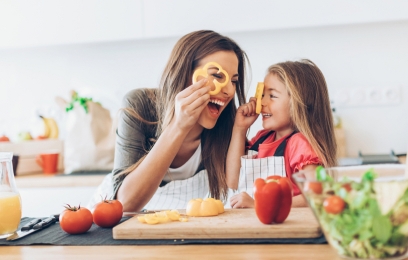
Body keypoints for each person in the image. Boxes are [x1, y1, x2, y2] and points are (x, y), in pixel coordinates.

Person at [109, 30, 248, 212]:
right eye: (217, 76)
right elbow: (125, 205)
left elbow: (235, 188)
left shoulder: (228, 126)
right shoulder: (139, 104)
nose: (229, 91)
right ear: (184, 73)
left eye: (234, 81)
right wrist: (179, 125)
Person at [226, 59, 337, 208]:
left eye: (272, 96)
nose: (262, 102)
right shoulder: (262, 138)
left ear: (298, 103)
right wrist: (239, 129)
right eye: (262, 95)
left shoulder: (299, 144)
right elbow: (233, 181)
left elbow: (318, 194)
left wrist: (260, 204)